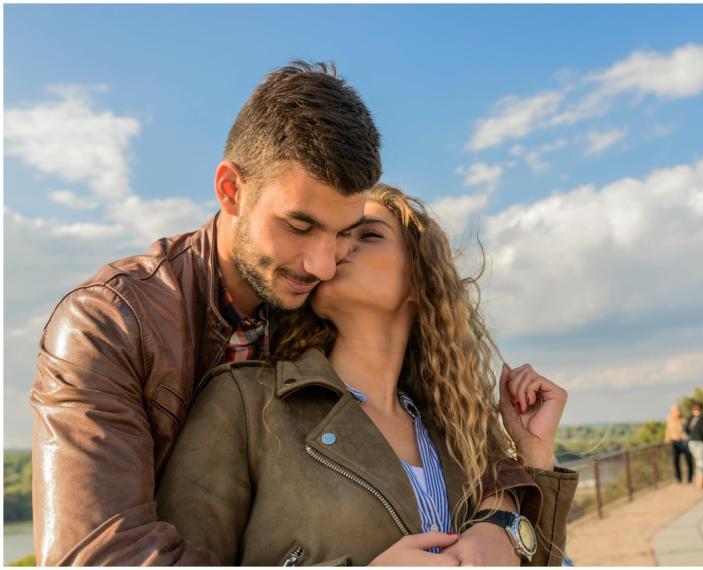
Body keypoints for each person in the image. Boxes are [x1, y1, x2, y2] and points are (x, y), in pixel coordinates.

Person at [29, 63, 538, 565]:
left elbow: (463, 434)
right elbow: (97, 556)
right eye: (299, 226)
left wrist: (503, 516)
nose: (324, 264)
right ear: (231, 190)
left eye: (345, 233)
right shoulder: (108, 323)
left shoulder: (317, 317)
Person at [155, 185, 579, 565]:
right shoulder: (245, 402)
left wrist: (534, 454)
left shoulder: (458, 431)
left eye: (369, 235)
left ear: (420, 281)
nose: (339, 248)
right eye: (338, 236)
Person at [664, 404, 693, 484]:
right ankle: (678, 479)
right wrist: (667, 438)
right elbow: (667, 430)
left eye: (677, 410)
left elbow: (688, 429)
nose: (677, 412)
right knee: (676, 461)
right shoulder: (669, 419)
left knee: (688, 460)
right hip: (674, 442)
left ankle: (690, 478)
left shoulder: (684, 419)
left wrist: (687, 435)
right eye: (675, 411)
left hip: (684, 442)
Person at [685, 401, 703, 489]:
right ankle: (701, 483)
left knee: (698, 461)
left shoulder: (690, 418)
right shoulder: (702, 419)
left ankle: (701, 482)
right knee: (701, 462)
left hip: (691, 443)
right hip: (700, 443)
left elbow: (686, 430)